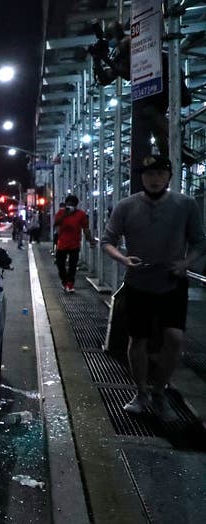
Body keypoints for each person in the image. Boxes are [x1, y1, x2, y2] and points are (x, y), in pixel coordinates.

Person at [100, 155, 206, 421]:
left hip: (172, 282)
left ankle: (159, 391)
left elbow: (199, 242)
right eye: (149, 174)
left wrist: (185, 263)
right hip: (138, 283)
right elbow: (107, 240)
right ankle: (141, 392)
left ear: (169, 176)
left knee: (175, 338)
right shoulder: (126, 206)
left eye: (160, 173)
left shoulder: (186, 204)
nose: (155, 179)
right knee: (138, 340)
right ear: (141, 177)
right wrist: (123, 259)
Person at [90, 21, 195, 180]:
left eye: (109, 39)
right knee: (154, 123)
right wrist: (97, 61)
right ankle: (172, 155)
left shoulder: (128, 43)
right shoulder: (121, 49)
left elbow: (128, 73)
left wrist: (105, 59)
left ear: (114, 36)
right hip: (157, 78)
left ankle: (177, 142)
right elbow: (105, 79)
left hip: (163, 75)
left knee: (150, 112)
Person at [54, 195, 96, 293]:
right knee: (60, 265)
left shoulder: (81, 214)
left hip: (74, 245)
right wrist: (65, 214)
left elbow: (85, 229)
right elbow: (56, 224)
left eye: (72, 204)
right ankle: (64, 282)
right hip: (62, 244)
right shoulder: (61, 213)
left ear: (76, 205)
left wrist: (90, 240)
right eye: (68, 204)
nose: (70, 206)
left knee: (73, 266)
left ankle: (70, 284)